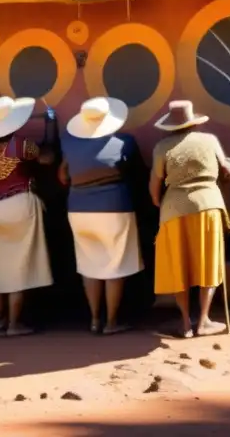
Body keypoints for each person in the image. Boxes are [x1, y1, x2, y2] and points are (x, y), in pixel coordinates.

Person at [150, 100, 230, 339]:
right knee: (207, 263)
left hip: (173, 209)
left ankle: (185, 324)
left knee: (179, 265)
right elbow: (227, 170)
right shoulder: (209, 140)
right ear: (193, 121)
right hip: (208, 204)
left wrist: (160, 203)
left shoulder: (162, 147)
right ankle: (204, 320)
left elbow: (154, 188)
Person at [59, 96, 144, 335]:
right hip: (115, 206)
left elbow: (63, 176)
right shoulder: (124, 141)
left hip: (78, 208)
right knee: (114, 265)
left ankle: (95, 319)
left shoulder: (68, 141)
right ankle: (112, 322)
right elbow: (137, 171)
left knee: (89, 265)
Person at [0, 96, 55, 337]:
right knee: (18, 267)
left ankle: (0, 321)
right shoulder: (18, 144)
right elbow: (46, 158)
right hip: (18, 205)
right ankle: (14, 324)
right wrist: (49, 137)